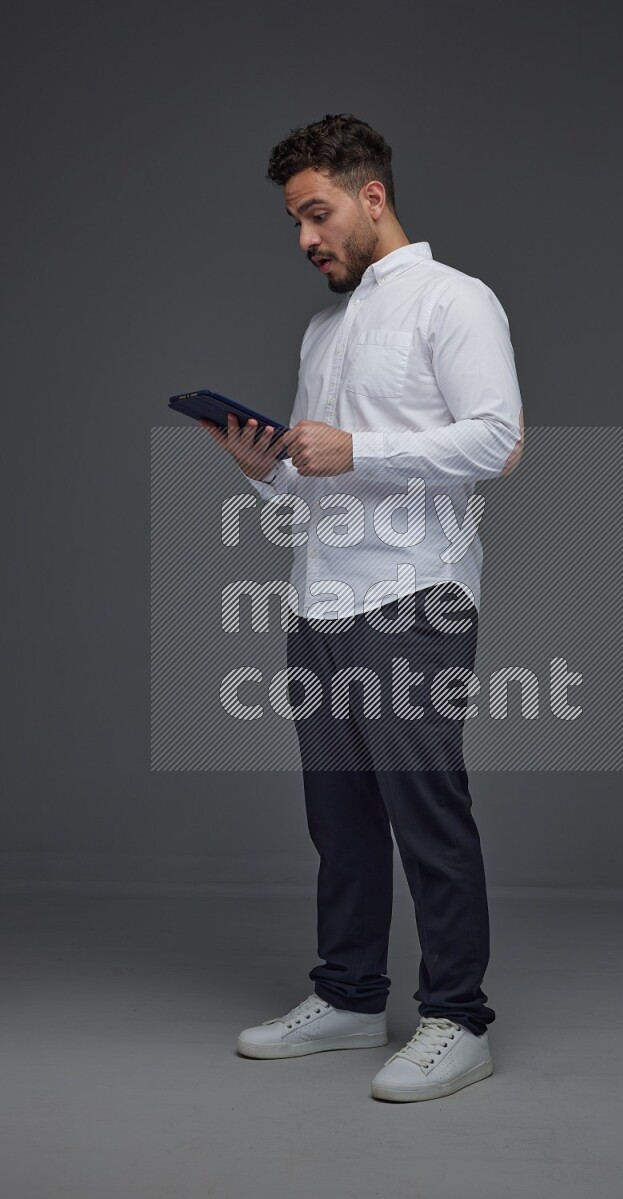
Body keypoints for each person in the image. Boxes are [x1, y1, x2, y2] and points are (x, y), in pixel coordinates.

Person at [201, 113, 524, 1102]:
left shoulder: (452, 301)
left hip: (411, 595)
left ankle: (456, 1015)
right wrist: (265, 473)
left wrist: (361, 449)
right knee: (338, 818)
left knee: (424, 811)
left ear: (370, 196)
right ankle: (346, 996)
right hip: (320, 598)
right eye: (296, 220)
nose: (305, 238)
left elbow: (500, 440)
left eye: (317, 213)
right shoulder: (324, 328)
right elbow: (315, 482)